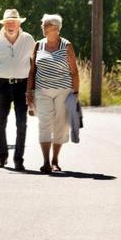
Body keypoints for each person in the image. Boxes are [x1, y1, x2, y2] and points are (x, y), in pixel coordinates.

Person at [0, 9, 36, 170]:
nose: (11, 25)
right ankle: (2, 157)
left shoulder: (28, 39)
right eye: (8, 22)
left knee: (21, 122)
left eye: (14, 22)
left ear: (19, 23)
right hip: (2, 84)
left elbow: (35, 62)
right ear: (4, 24)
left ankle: (18, 159)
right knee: (0, 122)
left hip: (22, 85)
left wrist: (33, 86)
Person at [27, 14, 80, 174]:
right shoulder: (38, 45)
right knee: (44, 123)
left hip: (63, 91)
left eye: (46, 25)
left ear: (56, 28)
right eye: (43, 25)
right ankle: (45, 162)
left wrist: (75, 94)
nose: (43, 27)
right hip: (42, 91)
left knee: (61, 125)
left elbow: (74, 71)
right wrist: (29, 92)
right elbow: (32, 71)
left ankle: (55, 160)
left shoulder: (66, 45)